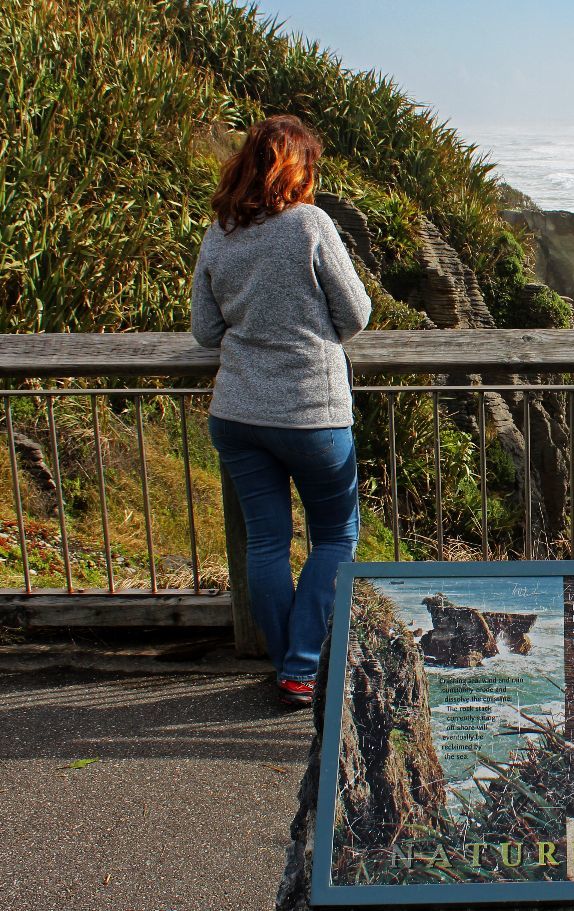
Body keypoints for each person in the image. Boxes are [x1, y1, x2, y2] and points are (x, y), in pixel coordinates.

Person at [190, 114, 371, 707]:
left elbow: (204, 329)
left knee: (267, 543)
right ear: (299, 168)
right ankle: (302, 666)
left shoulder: (221, 230)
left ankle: (285, 664)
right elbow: (355, 315)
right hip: (311, 413)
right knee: (336, 536)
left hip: (238, 412)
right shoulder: (310, 225)